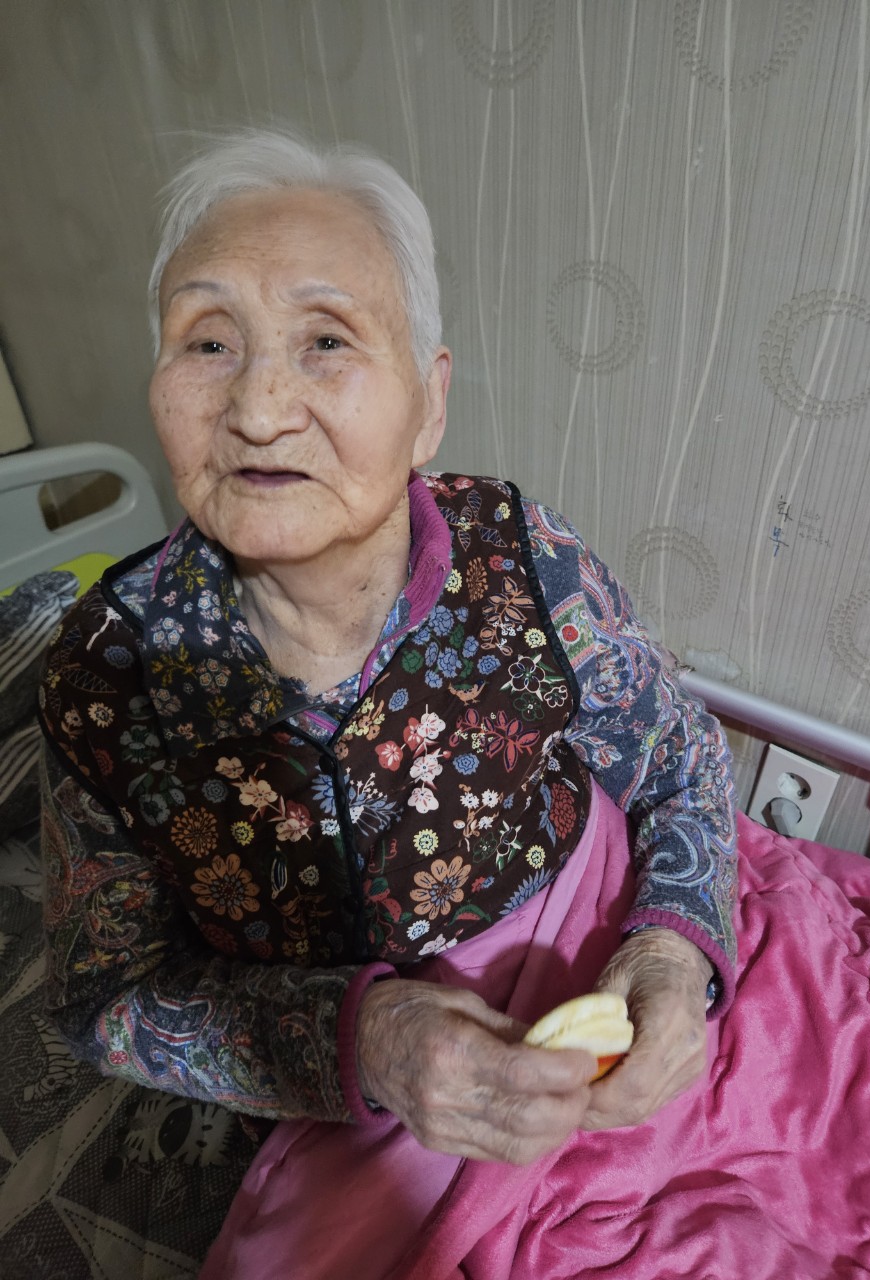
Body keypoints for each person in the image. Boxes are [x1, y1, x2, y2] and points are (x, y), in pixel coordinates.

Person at [39, 128, 737, 1274]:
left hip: (587, 920)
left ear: (428, 401)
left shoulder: (528, 563)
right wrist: (361, 1036)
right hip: (348, 1070)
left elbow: (681, 761)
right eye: (208, 340)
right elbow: (98, 995)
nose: (260, 407)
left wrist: (670, 951)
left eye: (326, 339)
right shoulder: (106, 676)